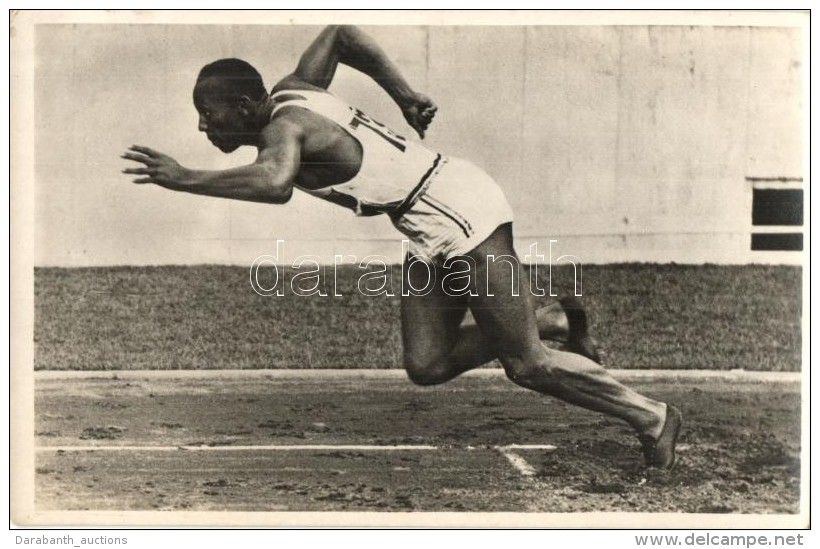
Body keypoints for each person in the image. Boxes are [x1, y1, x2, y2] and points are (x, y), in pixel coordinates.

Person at [122, 25, 681, 468]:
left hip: (458, 210)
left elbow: (273, 185)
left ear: (245, 106)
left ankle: (651, 417)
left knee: (527, 365)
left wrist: (184, 177)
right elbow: (340, 33)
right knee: (428, 362)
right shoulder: (298, 85)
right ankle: (552, 317)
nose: (201, 127)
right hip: (421, 220)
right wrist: (405, 96)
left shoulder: (281, 130)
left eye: (207, 113)